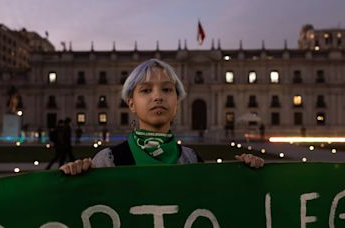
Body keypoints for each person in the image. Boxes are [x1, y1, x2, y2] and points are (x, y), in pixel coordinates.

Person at [60, 59, 264, 175]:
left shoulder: (191, 160)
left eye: (167, 89)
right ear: (131, 103)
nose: (157, 96)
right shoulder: (106, 162)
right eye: (146, 90)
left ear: (177, 102)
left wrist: (246, 172)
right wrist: (70, 177)